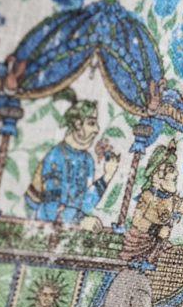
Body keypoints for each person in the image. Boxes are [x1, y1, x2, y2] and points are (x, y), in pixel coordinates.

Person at [24, 89, 119, 229]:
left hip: (70, 230)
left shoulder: (88, 160)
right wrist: (81, 220)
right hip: (46, 230)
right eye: (91, 123)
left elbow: (85, 205)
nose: (97, 129)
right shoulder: (56, 156)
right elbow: (51, 208)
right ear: (77, 124)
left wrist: (107, 176)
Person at [122, 141, 183, 263]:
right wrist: (156, 230)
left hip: (159, 243)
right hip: (140, 242)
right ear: (157, 175)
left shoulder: (170, 199)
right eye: (170, 170)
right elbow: (137, 220)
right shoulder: (148, 196)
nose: (176, 174)